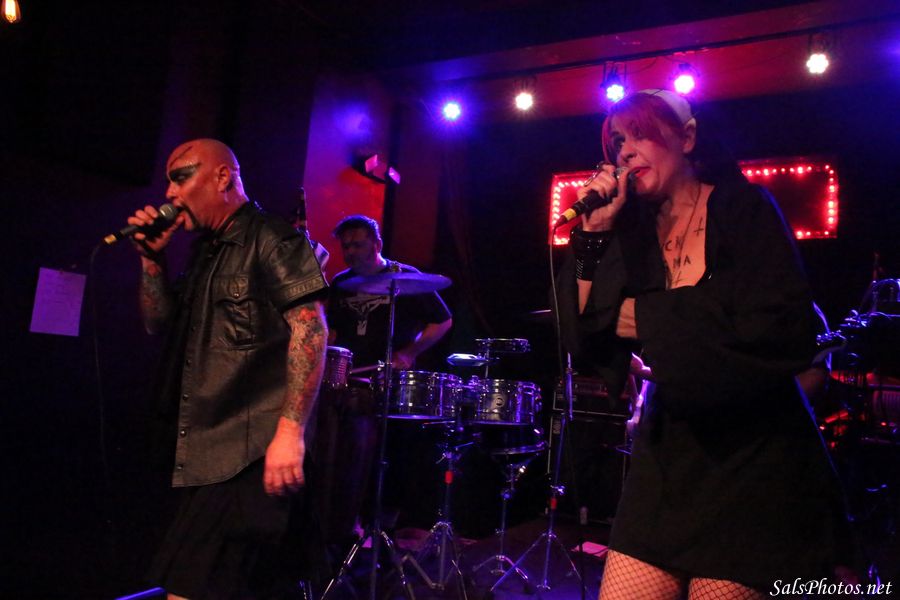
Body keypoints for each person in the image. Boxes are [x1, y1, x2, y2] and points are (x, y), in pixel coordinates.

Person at [556, 90, 847, 599]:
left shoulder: (744, 208)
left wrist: (643, 317)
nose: (625, 150)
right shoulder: (629, 231)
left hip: (752, 456)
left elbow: (779, 327)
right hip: (668, 456)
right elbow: (578, 327)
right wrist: (594, 231)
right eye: (619, 140)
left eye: (641, 134)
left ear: (687, 138)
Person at [127, 138, 329, 599]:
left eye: (181, 177)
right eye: (169, 182)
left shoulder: (274, 239)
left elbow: (311, 331)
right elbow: (157, 323)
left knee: (187, 589)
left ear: (222, 177)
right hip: (206, 449)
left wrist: (290, 432)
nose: (170, 193)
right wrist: (151, 260)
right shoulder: (206, 251)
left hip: (250, 452)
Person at [327, 215, 452, 370]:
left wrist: (409, 353)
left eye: (358, 245)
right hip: (347, 373)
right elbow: (332, 330)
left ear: (378, 245)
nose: (350, 252)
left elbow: (442, 322)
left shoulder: (406, 277)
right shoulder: (340, 282)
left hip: (391, 374)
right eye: (345, 247)